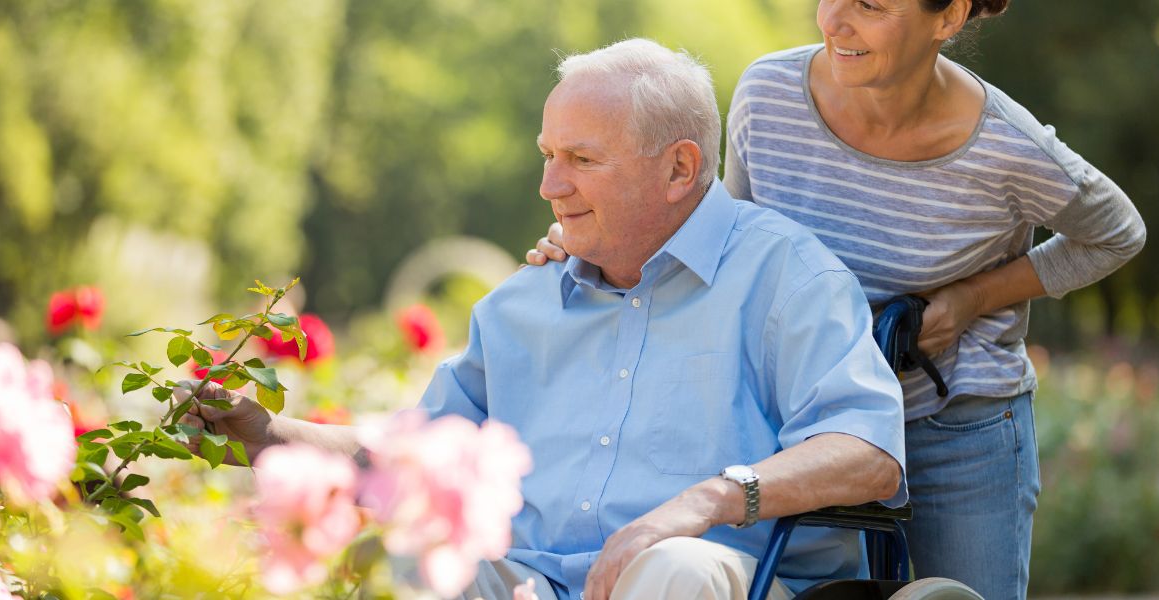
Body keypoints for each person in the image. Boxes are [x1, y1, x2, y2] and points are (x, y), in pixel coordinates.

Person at [183, 39, 907, 600]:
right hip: (532, 582)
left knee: (673, 568)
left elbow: (867, 450)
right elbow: (414, 453)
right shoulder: (520, 305)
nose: (549, 185)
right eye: (548, 156)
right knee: (396, 562)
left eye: (581, 159)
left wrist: (707, 501)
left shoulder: (786, 277)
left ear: (680, 169)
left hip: (722, 581)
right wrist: (270, 433)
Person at [527, 2, 1147, 598]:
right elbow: (727, 242)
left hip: (950, 413)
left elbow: (1116, 234)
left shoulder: (1006, 146)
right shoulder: (769, 95)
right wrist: (594, 238)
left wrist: (972, 298)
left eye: (870, 5)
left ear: (950, 15)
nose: (833, 20)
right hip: (802, 421)